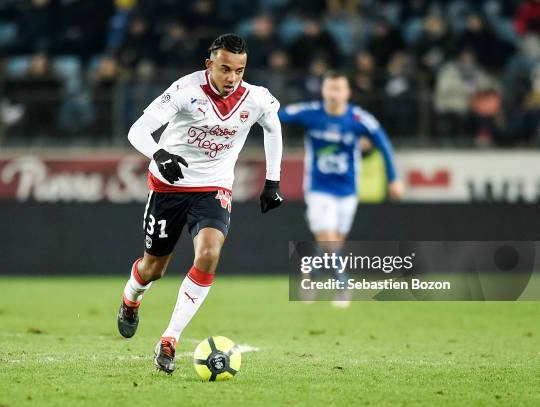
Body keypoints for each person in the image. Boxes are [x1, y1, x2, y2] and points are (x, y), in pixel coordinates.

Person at [117, 33, 284, 374]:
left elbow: (273, 127)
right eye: (225, 69)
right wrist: (159, 153)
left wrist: (273, 181)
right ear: (209, 64)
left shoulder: (257, 99)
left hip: (214, 187)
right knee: (153, 269)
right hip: (169, 186)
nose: (232, 78)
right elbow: (138, 130)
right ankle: (131, 298)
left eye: (239, 70)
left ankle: (169, 339)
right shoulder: (185, 91)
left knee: (208, 255)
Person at [279, 71, 403, 307]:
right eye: (330, 89)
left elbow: (384, 144)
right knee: (326, 237)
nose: (334, 94)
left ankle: (312, 276)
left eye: (339, 89)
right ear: (323, 91)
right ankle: (344, 286)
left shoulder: (358, 119)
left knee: (333, 242)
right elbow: (278, 115)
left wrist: (393, 179)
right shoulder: (310, 113)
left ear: (347, 93)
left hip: (347, 190)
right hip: (318, 187)